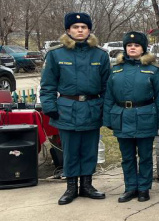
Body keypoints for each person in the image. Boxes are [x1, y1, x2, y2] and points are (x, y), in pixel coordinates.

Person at [40, 12, 111, 205]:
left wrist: (105, 109)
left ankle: (87, 186)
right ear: (68, 30)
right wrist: (50, 107)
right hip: (66, 109)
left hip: (92, 108)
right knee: (70, 151)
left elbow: (107, 87)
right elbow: (47, 86)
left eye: (84, 27)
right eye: (75, 27)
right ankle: (71, 188)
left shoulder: (100, 55)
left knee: (89, 149)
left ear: (89, 30)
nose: (80, 30)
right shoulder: (56, 54)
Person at [103, 32, 159, 202]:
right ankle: (130, 188)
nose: (132, 48)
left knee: (145, 156)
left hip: (145, 117)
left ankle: (144, 188)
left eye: (137, 45)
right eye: (129, 45)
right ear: (125, 48)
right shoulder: (116, 70)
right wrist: (107, 119)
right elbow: (109, 96)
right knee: (127, 157)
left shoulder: (153, 70)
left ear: (143, 49)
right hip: (122, 117)